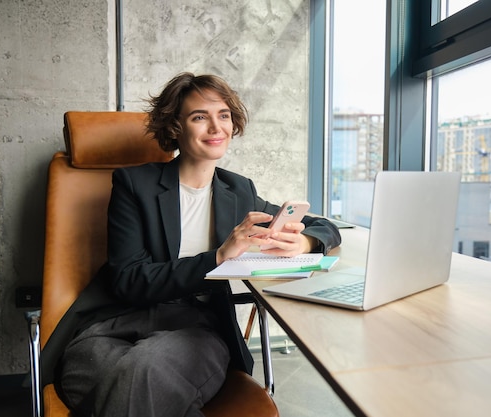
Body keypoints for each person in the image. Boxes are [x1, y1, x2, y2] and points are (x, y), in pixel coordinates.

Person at [52, 72, 342, 417]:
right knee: (115, 377)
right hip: (114, 326)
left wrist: (305, 241)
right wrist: (218, 257)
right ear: (176, 126)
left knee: (143, 372)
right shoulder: (134, 184)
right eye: (199, 117)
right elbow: (128, 280)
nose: (216, 127)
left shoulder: (240, 192)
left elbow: (325, 227)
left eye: (224, 115)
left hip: (195, 331)